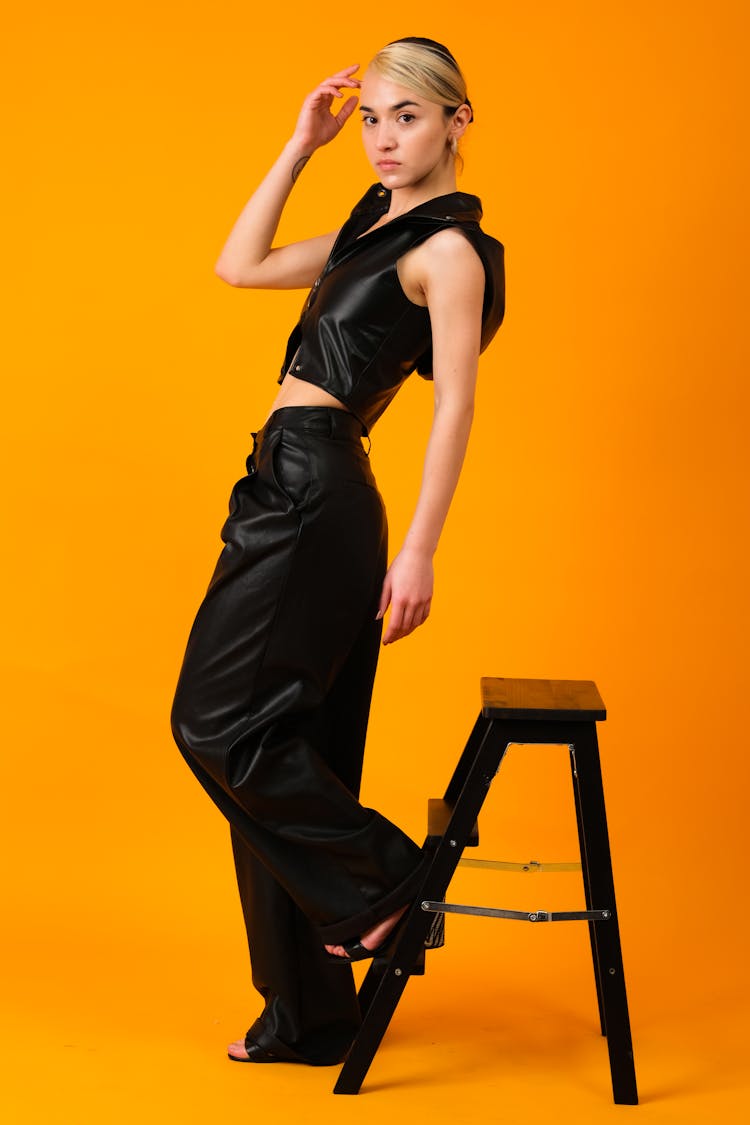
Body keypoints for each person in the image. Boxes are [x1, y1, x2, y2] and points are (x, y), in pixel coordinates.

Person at [170, 36, 505, 1068]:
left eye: (407, 115)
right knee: (288, 742)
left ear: (458, 120)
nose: (384, 138)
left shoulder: (448, 252)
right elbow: (240, 266)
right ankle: (310, 1013)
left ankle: (392, 890)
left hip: (320, 490)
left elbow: (455, 405)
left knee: (213, 725)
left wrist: (421, 550)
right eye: (371, 118)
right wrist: (300, 143)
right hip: (285, 478)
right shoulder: (375, 224)